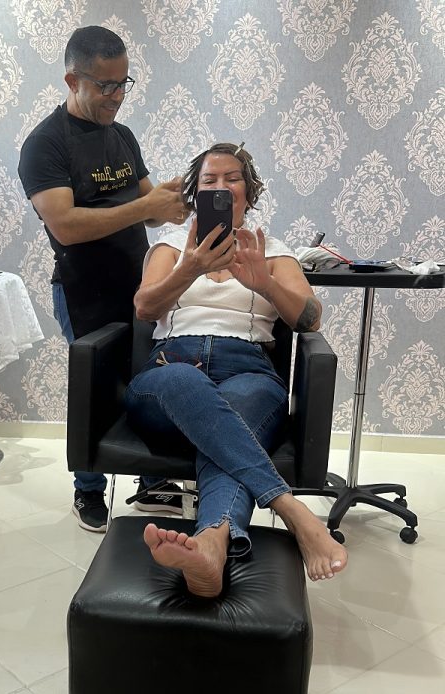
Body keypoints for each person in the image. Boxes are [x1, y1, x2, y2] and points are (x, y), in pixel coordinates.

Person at [124, 142, 348, 597]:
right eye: (209, 181)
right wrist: (189, 268)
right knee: (187, 382)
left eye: (232, 179)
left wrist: (265, 283)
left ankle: (212, 544)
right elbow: (145, 308)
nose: (221, 187)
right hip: (171, 368)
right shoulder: (171, 245)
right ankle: (291, 509)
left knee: (234, 414)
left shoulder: (272, 250)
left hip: (248, 369)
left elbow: (310, 318)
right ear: (196, 193)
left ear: (249, 191)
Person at [18, 26, 190, 532]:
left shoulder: (123, 136)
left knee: (146, 378)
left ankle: (150, 480)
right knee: (93, 387)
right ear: (73, 80)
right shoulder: (45, 144)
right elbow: (67, 226)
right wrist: (144, 205)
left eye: (123, 83)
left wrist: (173, 202)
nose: (117, 96)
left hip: (136, 284)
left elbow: (148, 212)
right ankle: (89, 490)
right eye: (105, 85)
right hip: (82, 289)